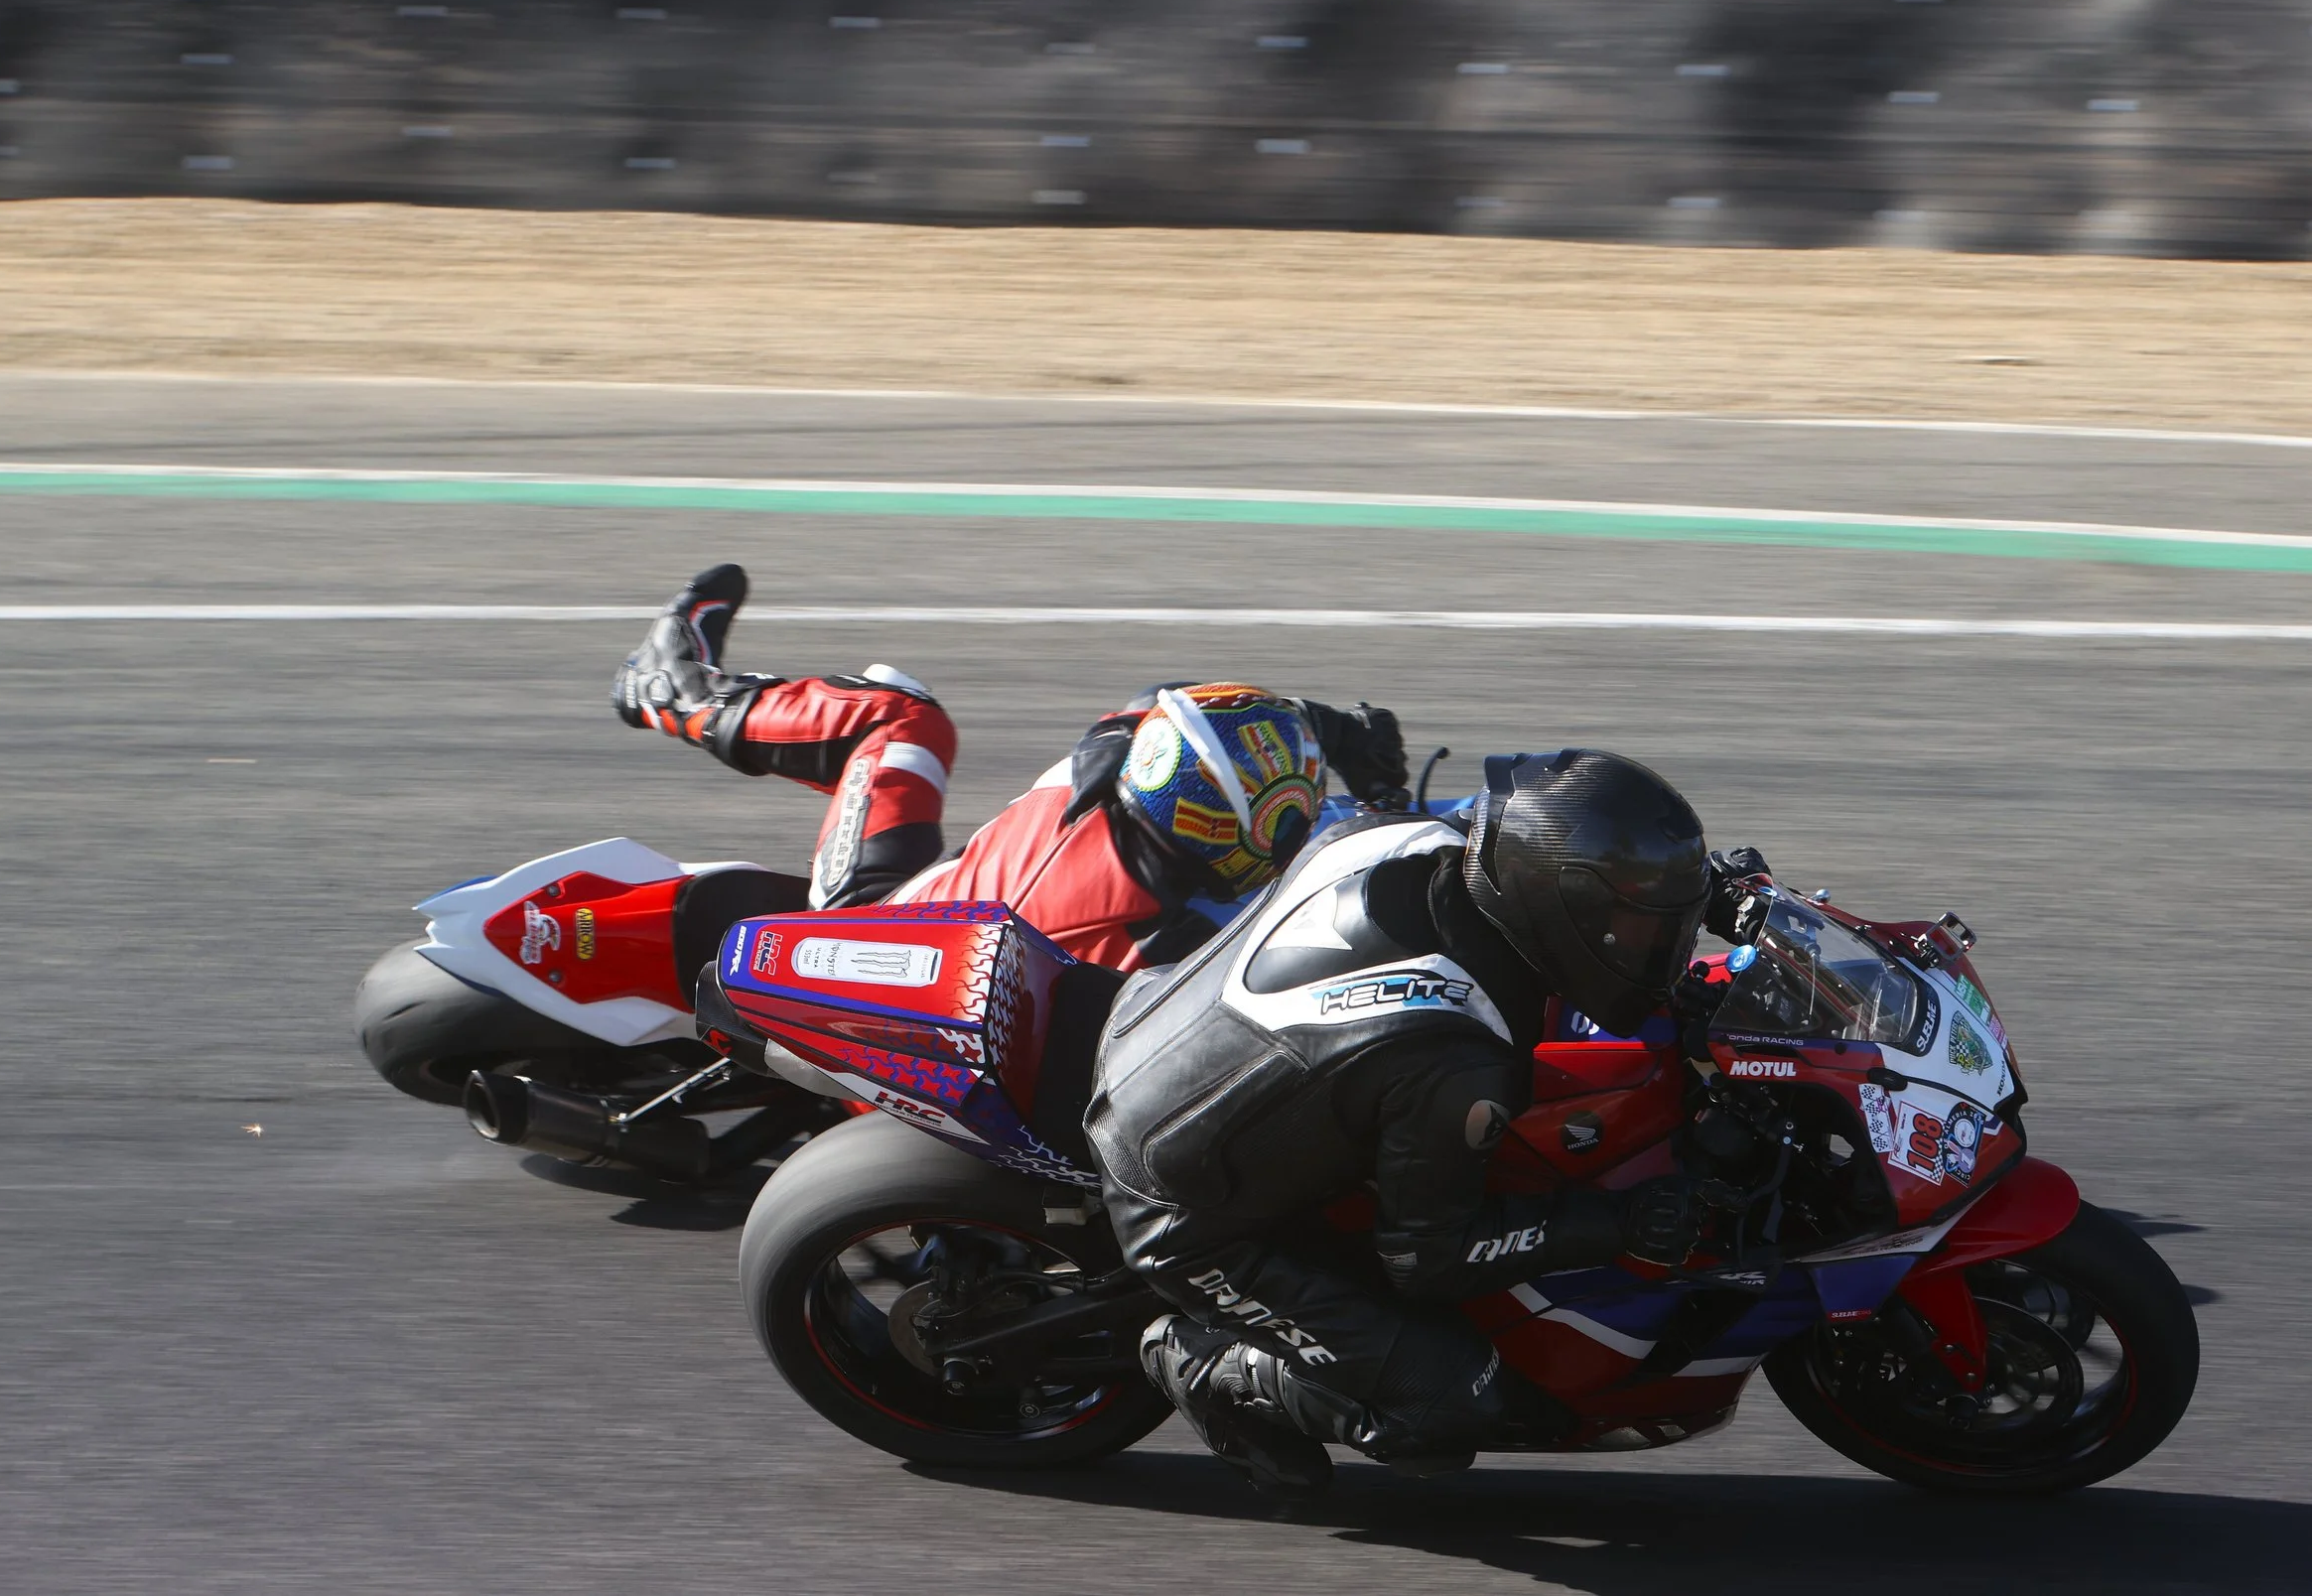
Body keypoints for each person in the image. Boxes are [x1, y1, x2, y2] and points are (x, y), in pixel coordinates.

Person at [1083, 748, 1762, 1495]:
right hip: (1183, 1210)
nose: (1656, 948)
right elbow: (1430, 1259)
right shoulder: (1458, 1058)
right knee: (1447, 1403)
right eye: (1637, 925)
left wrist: (1702, 890)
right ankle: (1203, 1361)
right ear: (1561, 910)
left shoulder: (1425, 841)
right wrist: (1615, 1222)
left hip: (1153, 1022)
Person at [611, 563, 1411, 970]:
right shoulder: (1163, 936)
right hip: (867, 965)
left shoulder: (1116, 752)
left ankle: (683, 695)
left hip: (923, 955)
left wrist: (1332, 731)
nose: (1302, 812)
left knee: (904, 713)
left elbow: (1178, 698)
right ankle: (672, 690)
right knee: (898, 708)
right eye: (1285, 813)